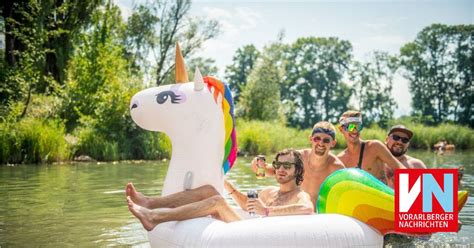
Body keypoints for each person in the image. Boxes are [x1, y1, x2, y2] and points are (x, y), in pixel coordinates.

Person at [126, 149, 314, 231]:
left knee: (217, 202)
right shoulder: (269, 191)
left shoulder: (300, 195)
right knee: (210, 190)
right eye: (278, 165)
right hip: (249, 227)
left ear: (297, 170)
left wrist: (265, 210)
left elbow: (307, 209)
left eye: (287, 166)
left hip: (258, 236)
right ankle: (150, 203)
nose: (281, 169)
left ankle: (155, 218)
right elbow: (246, 205)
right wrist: (225, 183)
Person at [251, 121, 345, 207]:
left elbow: (344, 194)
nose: (321, 143)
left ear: (333, 143)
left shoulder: (337, 168)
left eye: (326, 140)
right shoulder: (298, 157)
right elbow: (274, 171)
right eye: (317, 139)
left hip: (317, 217)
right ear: (311, 139)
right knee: (268, 191)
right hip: (295, 212)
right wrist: (260, 166)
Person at [336, 111, 405, 183]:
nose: (355, 131)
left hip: (381, 193)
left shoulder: (375, 147)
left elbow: (401, 168)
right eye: (350, 127)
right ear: (341, 129)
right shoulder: (340, 159)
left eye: (358, 127)